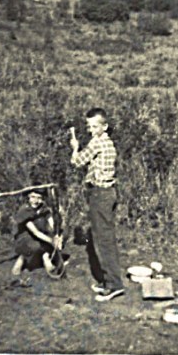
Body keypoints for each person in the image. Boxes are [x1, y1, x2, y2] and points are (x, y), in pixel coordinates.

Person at [70, 107, 125, 302]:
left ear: (105, 126)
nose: (91, 130)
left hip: (101, 195)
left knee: (103, 240)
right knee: (103, 237)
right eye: (89, 126)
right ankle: (107, 280)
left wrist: (75, 147)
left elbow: (77, 162)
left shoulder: (97, 143)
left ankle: (114, 285)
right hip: (107, 193)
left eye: (95, 126)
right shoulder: (107, 142)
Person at [10, 188, 61, 286]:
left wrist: (57, 235)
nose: (36, 201)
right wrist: (52, 241)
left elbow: (52, 225)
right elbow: (35, 232)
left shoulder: (44, 209)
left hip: (39, 237)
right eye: (33, 197)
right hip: (24, 239)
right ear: (28, 197)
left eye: (39, 198)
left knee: (58, 236)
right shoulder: (24, 210)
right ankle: (21, 260)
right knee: (35, 246)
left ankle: (46, 258)